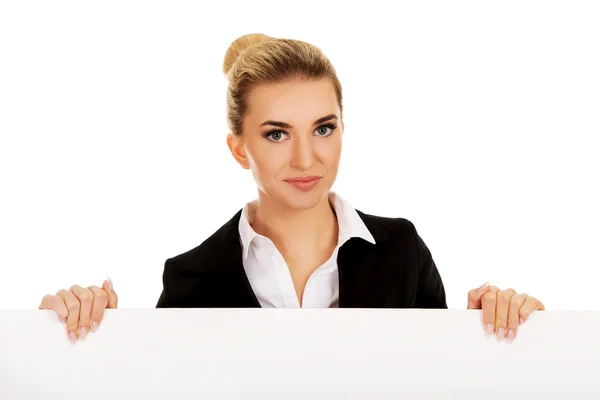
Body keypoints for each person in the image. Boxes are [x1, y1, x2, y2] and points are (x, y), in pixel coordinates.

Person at [39, 33, 545, 345]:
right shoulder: (190, 278)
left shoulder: (403, 252)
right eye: (277, 134)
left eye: (324, 128)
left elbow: (447, 383)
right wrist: (84, 337)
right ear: (239, 149)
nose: (307, 159)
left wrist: (506, 333)